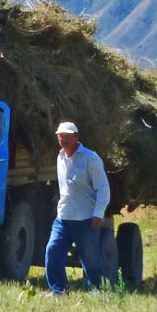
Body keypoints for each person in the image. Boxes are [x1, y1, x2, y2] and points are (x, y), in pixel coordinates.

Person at [45, 121, 111, 294]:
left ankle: (98, 291)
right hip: (64, 217)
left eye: (68, 136)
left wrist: (98, 213)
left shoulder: (90, 158)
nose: (64, 139)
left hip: (86, 219)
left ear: (76, 137)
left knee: (90, 260)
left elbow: (103, 188)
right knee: (52, 251)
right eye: (61, 136)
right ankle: (59, 290)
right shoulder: (60, 157)